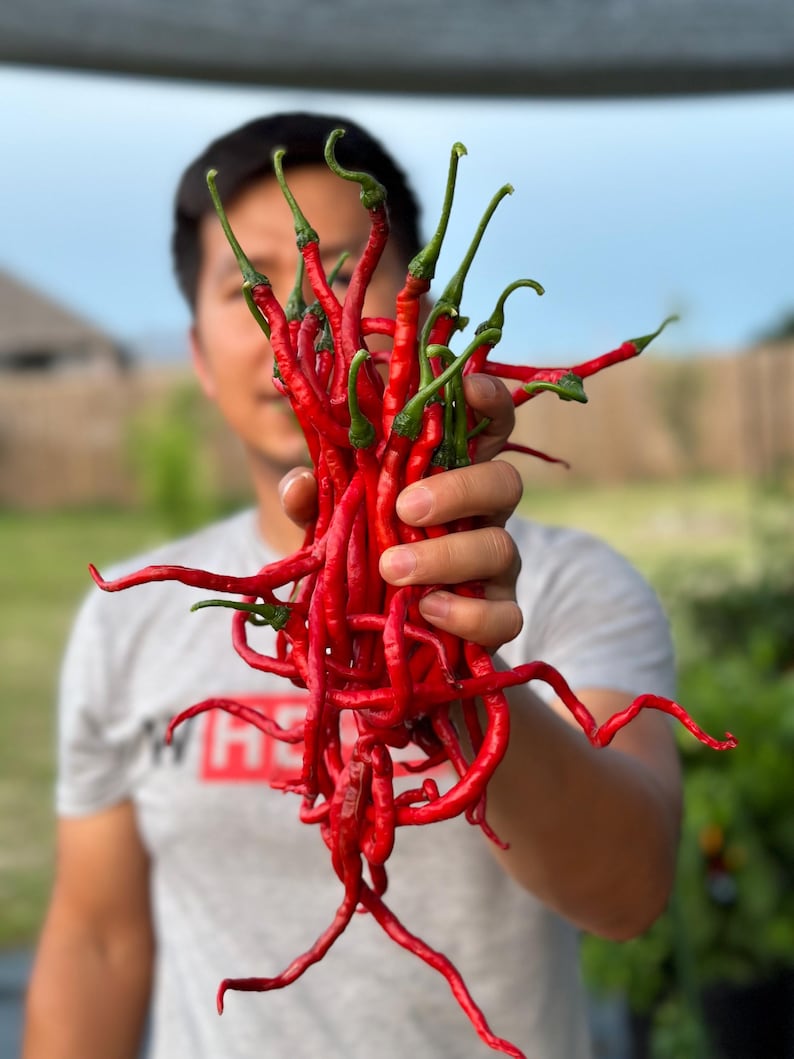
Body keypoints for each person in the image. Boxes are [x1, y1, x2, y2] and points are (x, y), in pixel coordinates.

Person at [22, 112, 681, 1059]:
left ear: (418, 317)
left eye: (340, 272)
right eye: (251, 289)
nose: (302, 317)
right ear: (201, 361)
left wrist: (456, 664)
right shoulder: (126, 620)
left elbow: (629, 891)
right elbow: (97, 939)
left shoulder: (575, 588)